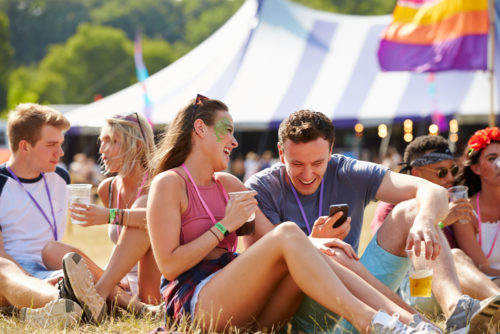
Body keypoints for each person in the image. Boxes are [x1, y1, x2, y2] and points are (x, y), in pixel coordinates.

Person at [147, 95, 441, 334]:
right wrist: (224, 227)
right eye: (228, 130)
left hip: (252, 313)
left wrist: (318, 243)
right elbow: (170, 266)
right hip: (196, 305)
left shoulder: (230, 185)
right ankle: (370, 322)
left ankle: (412, 323)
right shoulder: (170, 183)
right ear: (200, 129)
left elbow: (273, 246)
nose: (234, 142)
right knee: (293, 234)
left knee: (327, 250)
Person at [244, 110, 478, 333]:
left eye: (317, 163)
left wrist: (425, 222)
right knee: (333, 253)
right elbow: (260, 272)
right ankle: (417, 323)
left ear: (331, 151)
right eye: (296, 164)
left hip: (361, 295)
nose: (307, 175)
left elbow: (433, 192)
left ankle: (456, 312)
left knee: (412, 211)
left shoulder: (347, 170)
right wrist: (313, 244)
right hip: (301, 310)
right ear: (281, 152)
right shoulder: (260, 188)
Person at [371, 135, 500, 332]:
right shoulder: (393, 207)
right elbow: (391, 260)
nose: (449, 178)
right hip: (415, 288)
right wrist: (441, 221)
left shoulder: (453, 202)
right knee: (455, 256)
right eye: (441, 172)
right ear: (416, 173)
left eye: (453, 170)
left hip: (451, 287)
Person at [42, 112, 162, 312]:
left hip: (154, 284)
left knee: (143, 210)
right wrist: (111, 274)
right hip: (120, 286)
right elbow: (122, 243)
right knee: (51, 250)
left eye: (112, 141)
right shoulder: (109, 188)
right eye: (102, 141)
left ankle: (100, 295)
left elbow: (154, 219)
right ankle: (123, 301)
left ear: (138, 146)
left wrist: (108, 215)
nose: (102, 150)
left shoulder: (161, 181)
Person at [0, 103, 103, 326]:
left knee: (59, 253)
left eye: (61, 144)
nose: (61, 152)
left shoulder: (61, 178)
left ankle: (124, 300)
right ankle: (69, 299)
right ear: (25, 146)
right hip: (13, 274)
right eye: (51, 145)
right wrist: (31, 280)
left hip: (51, 268)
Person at [454, 127, 500, 288]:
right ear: (476, 168)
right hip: (488, 286)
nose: (499, 164)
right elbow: (482, 269)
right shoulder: (465, 211)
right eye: (492, 158)